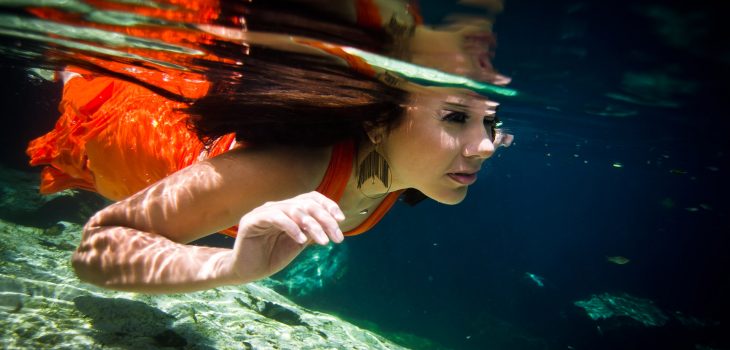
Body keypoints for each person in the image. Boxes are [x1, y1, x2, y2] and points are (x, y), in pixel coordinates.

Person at [26, 0, 513, 294]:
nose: (487, 146)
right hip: (125, 138)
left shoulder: (406, 169)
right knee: (80, 88)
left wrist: (466, 133)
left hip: (161, 148)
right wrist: (229, 267)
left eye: (491, 125)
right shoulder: (291, 171)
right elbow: (97, 247)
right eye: (455, 117)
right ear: (376, 123)